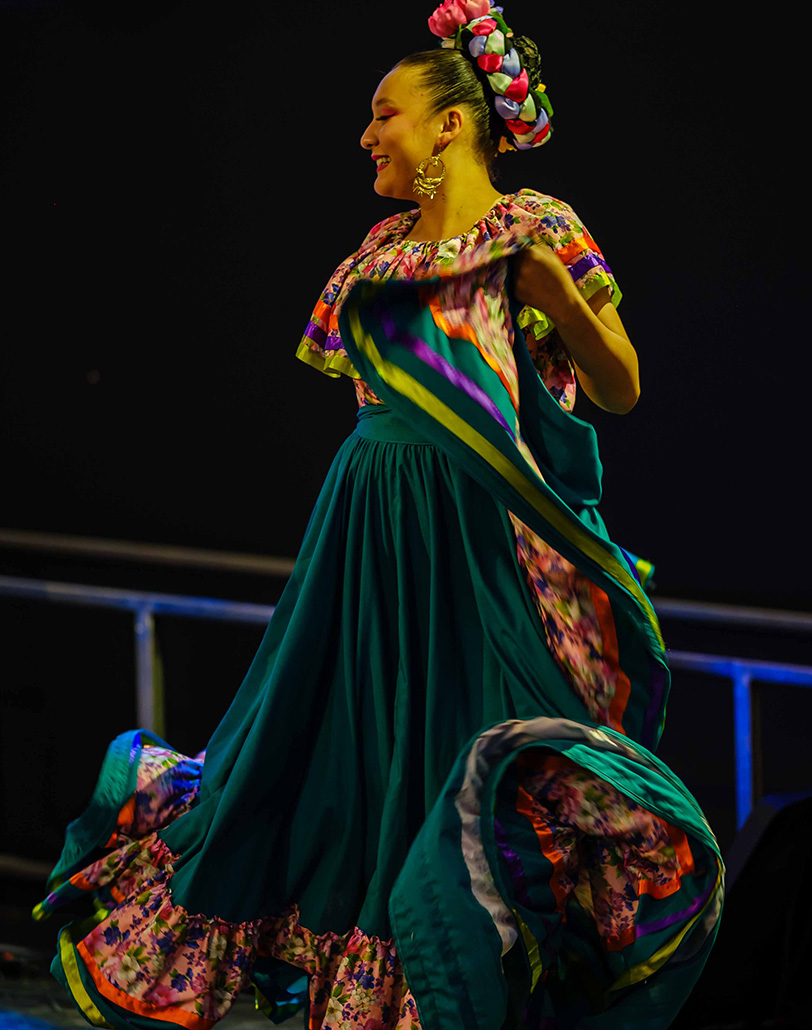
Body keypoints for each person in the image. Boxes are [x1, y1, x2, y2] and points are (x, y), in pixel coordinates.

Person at [34, 4, 723, 1029]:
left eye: (383, 113)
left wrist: (556, 301)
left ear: (448, 124)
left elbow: (616, 386)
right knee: (338, 749)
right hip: (366, 535)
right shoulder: (378, 249)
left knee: (455, 744)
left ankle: (447, 969)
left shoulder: (537, 229)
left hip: (479, 541)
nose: (367, 135)